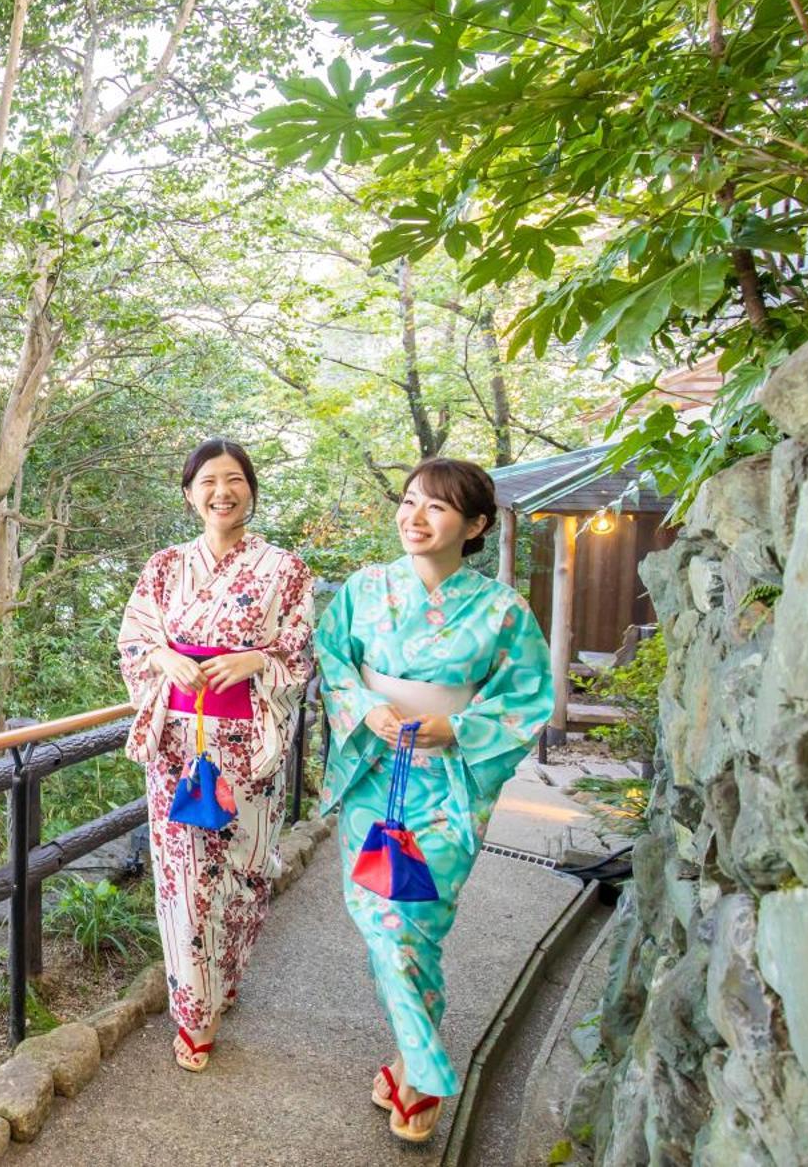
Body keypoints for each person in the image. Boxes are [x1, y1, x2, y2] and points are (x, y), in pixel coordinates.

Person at [313, 457, 553, 1142]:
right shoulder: (364, 588)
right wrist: (363, 705)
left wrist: (462, 726)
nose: (415, 517)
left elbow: (530, 693)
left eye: (437, 507)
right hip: (374, 775)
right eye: (410, 501)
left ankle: (420, 1069)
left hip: (449, 783)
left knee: (413, 923)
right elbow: (331, 657)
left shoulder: (503, 610)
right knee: (380, 918)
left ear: (475, 524)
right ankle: (410, 1060)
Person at [117, 438, 315, 1072]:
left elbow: (302, 650)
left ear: (250, 490)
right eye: (207, 481)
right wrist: (162, 656)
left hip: (248, 745)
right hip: (178, 744)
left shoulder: (285, 568)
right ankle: (193, 1013)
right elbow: (134, 639)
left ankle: (222, 982)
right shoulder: (164, 566)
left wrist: (258, 658)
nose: (221, 491)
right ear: (188, 494)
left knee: (244, 878)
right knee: (183, 882)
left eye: (233, 479)